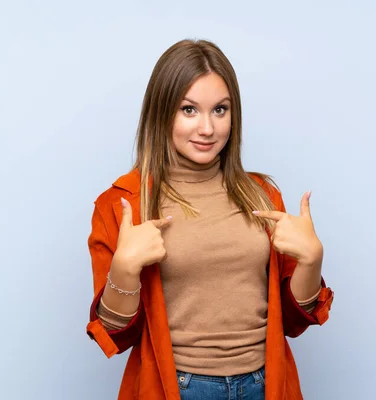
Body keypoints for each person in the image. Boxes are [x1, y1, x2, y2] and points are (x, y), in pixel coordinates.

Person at [85, 39, 334, 400]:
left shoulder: (262, 195)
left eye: (220, 110)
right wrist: (124, 269)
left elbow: (294, 324)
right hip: (181, 388)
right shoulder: (124, 205)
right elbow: (116, 335)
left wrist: (311, 261)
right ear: (161, 112)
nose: (207, 128)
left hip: (264, 384)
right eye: (189, 110)